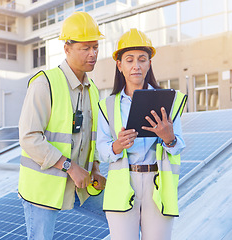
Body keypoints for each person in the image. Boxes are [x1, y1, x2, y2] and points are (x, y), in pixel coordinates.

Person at [18, 11, 107, 240]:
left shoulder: (93, 90)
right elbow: (29, 137)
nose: (93, 54)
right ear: (66, 48)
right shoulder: (44, 83)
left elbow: (92, 136)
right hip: (43, 188)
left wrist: (95, 168)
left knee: (123, 213)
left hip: (81, 184)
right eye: (85, 48)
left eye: (95, 47)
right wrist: (69, 166)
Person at [96, 28, 188, 240]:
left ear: (149, 63)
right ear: (119, 65)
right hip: (122, 186)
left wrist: (169, 138)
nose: (136, 65)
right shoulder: (106, 106)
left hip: (157, 186)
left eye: (142, 59)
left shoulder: (168, 100)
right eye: (129, 60)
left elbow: (179, 145)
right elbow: (102, 150)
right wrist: (117, 145)